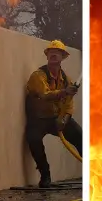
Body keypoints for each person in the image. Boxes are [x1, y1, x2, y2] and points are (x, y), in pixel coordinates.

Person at [24, 40, 82, 188]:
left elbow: (69, 103)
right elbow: (44, 94)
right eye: (51, 52)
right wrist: (64, 92)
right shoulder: (38, 75)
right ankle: (45, 175)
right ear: (47, 55)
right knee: (33, 139)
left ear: (63, 57)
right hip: (39, 119)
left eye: (57, 52)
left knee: (79, 135)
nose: (53, 54)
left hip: (57, 117)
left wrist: (65, 118)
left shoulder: (65, 79)